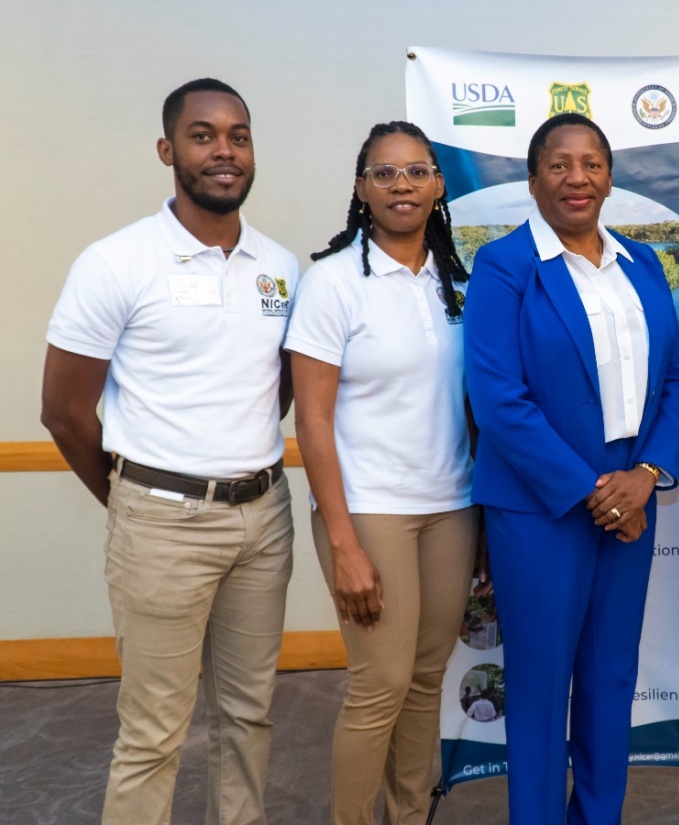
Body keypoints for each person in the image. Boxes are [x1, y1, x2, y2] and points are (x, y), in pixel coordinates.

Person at [40, 78, 296, 825]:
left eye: (239, 136)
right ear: (167, 150)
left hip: (264, 519)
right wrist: (132, 499)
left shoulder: (281, 268)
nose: (224, 151)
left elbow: (274, 391)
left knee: (249, 718)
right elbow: (62, 411)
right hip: (160, 523)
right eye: (203, 135)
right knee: (154, 732)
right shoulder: (116, 261)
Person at [463, 112, 679, 825]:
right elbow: (498, 399)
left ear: (610, 178)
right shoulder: (504, 266)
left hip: (633, 493)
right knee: (539, 685)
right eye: (559, 164)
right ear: (533, 180)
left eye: (591, 163)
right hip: (541, 507)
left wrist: (646, 475)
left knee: (609, 676)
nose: (577, 177)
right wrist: (596, 493)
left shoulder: (642, 264)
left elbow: (675, 380)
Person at [286, 121, 481, 825]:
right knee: (381, 683)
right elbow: (312, 420)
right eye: (385, 173)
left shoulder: (458, 282)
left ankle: (408, 815)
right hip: (370, 508)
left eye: (417, 171)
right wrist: (343, 543)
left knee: (426, 680)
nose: (403, 185)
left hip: (452, 504)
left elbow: (474, 406)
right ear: (361, 188)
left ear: (438, 186)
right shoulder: (332, 283)